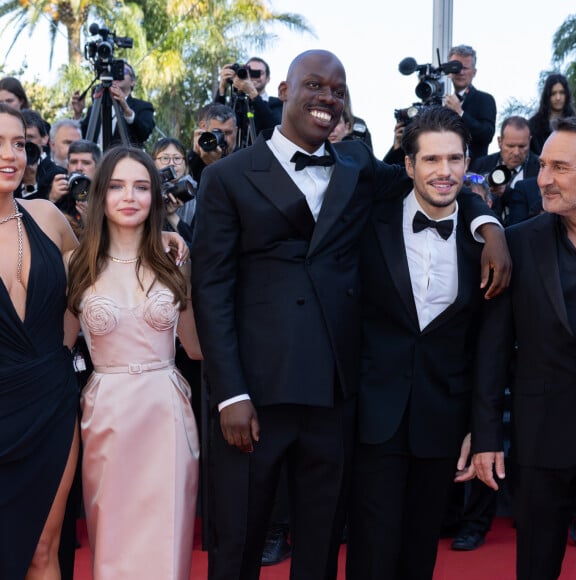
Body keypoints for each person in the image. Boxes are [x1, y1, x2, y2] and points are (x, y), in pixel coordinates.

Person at [191, 48, 510, 580]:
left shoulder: (358, 166)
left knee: (319, 547)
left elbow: (436, 184)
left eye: (338, 92)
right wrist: (230, 393)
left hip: (334, 397)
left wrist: (488, 226)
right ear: (284, 91)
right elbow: (212, 290)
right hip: (255, 395)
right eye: (315, 85)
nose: (327, 99)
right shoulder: (227, 177)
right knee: (239, 542)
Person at [346, 106, 495, 580]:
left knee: (419, 556)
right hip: (373, 417)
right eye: (430, 160)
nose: (444, 172)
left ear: (468, 160)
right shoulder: (370, 222)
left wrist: (477, 423)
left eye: (454, 159)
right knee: (371, 553)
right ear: (408, 165)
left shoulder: (483, 240)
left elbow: (483, 341)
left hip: (442, 419)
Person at [66, 145, 201, 578]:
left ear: (155, 197)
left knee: (168, 539)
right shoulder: (77, 264)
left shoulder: (175, 260)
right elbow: (59, 348)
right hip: (106, 414)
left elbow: (196, 348)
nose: (130, 197)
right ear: (101, 194)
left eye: (142, 187)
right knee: (112, 538)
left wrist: (187, 268)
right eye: (119, 186)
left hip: (166, 411)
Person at [471, 115, 576, 580]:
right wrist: (487, 435)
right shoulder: (515, 244)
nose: (543, 179)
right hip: (541, 439)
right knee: (536, 566)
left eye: (560, 168)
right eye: (543, 165)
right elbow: (492, 352)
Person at [0, 103, 80, 578]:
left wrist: (173, 243)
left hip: (51, 403)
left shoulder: (48, 217)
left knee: (42, 548)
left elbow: (94, 278)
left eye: (18, 144)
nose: (10, 155)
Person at [470, 116, 540, 225]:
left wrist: (507, 193)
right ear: (499, 141)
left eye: (522, 146)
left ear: (530, 141)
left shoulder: (541, 169)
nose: (516, 152)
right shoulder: (480, 165)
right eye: (511, 146)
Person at [72, 61, 155, 149]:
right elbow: (82, 138)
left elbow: (144, 134)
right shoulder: (96, 107)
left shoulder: (143, 106)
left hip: (125, 160)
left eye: (123, 71)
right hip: (98, 161)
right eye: (113, 71)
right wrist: (78, 114)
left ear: (132, 82)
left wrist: (127, 110)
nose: (116, 74)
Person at [443, 44, 496, 161]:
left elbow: (486, 135)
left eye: (465, 68)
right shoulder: (440, 101)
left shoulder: (485, 99)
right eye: (456, 67)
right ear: (449, 71)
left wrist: (460, 113)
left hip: (474, 170)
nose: (460, 72)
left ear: (474, 72)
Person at [215, 56, 283, 141]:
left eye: (258, 73)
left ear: (268, 79)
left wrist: (253, 94)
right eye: (250, 72)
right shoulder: (237, 103)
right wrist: (222, 89)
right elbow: (215, 120)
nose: (253, 77)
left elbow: (276, 129)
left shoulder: (277, 103)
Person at [152, 137, 196, 244]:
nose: (171, 163)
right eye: (165, 158)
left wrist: (171, 215)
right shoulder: (146, 191)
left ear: (185, 164)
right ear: (153, 163)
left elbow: (197, 242)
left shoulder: (197, 192)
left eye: (177, 158)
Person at [528, 73, 576, 156]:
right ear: (547, 96)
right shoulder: (533, 125)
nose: (558, 97)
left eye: (561, 92)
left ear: (566, 95)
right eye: (553, 93)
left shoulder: (575, 124)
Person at [188, 103, 237, 183]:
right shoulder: (199, 157)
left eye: (228, 133)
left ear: (236, 131)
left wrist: (214, 165)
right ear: (205, 130)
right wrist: (194, 155)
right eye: (217, 132)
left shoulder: (245, 159)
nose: (223, 138)